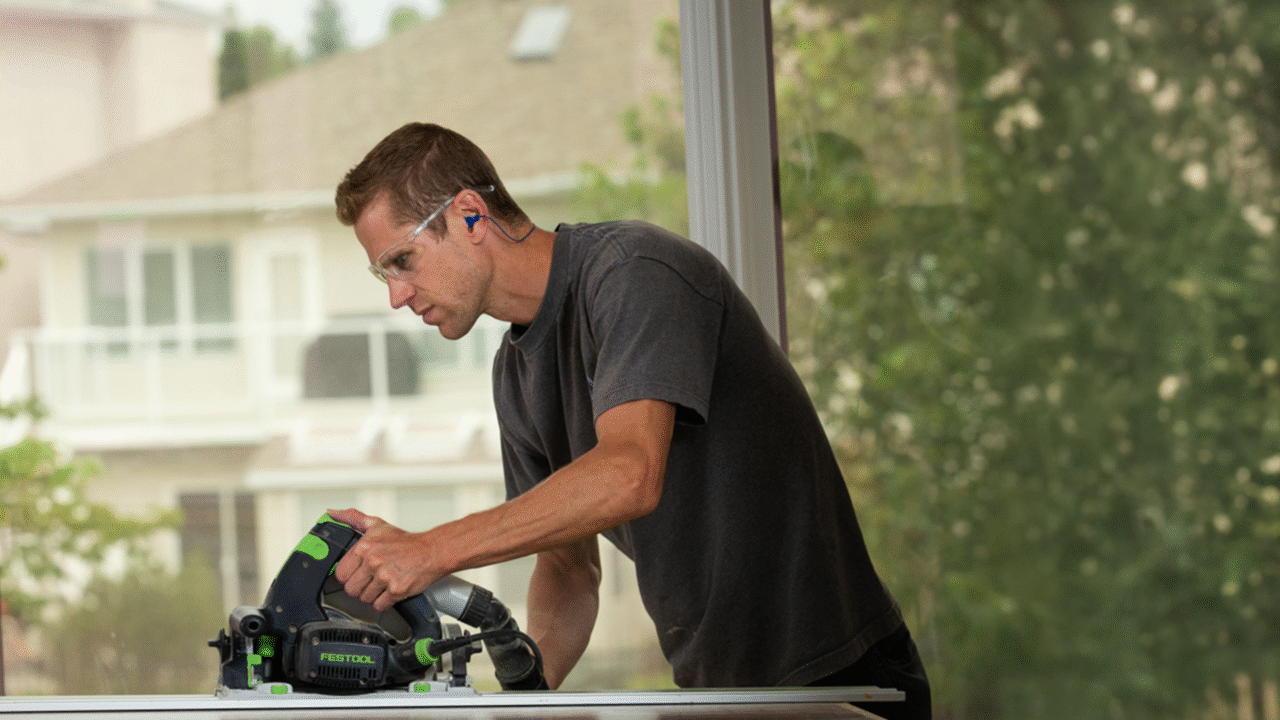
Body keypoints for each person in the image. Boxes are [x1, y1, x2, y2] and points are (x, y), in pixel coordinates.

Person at [328, 122, 931, 718]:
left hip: (838, 678)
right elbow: (568, 569)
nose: (397, 296)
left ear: (469, 215)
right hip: (720, 694)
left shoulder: (634, 273)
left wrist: (431, 549)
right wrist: (524, 703)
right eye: (386, 273)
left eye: (402, 260)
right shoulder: (514, 373)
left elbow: (630, 474)